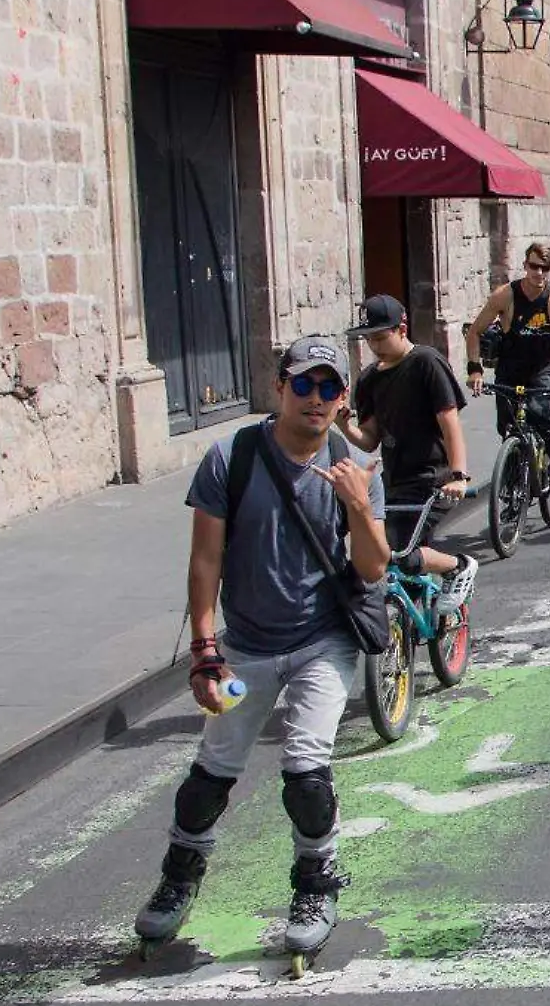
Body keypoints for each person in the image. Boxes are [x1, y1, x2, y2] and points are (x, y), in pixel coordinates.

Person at [133, 336, 388, 959]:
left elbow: (374, 568)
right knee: (211, 772)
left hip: (322, 645)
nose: (316, 399)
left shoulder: (353, 470)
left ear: (343, 399)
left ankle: (316, 883)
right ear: (280, 388)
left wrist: (358, 506)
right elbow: (205, 559)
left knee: (305, 769)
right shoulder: (231, 458)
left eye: (330, 388)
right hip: (244, 654)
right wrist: (204, 649)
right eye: (304, 385)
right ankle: (178, 880)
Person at [340, 295, 479, 604]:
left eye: (380, 336)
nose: (375, 344)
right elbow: (369, 439)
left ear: (402, 328)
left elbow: (449, 421)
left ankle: (459, 566)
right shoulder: (368, 379)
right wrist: (345, 427)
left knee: (395, 552)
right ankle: (418, 633)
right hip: (396, 482)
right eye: (369, 338)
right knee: (401, 567)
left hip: (434, 479)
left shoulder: (426, 362)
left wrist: (459, 475)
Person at [465, 243, 550, 479]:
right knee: (507, 427)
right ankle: (512, 485)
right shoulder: (505, 295)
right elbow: (474, 332)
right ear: (525, 266)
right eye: (534, 266)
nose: (539, 273)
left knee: (539, 410)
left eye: (545, 268)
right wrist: (475, 370)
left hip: (544, 368)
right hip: (510, 367)